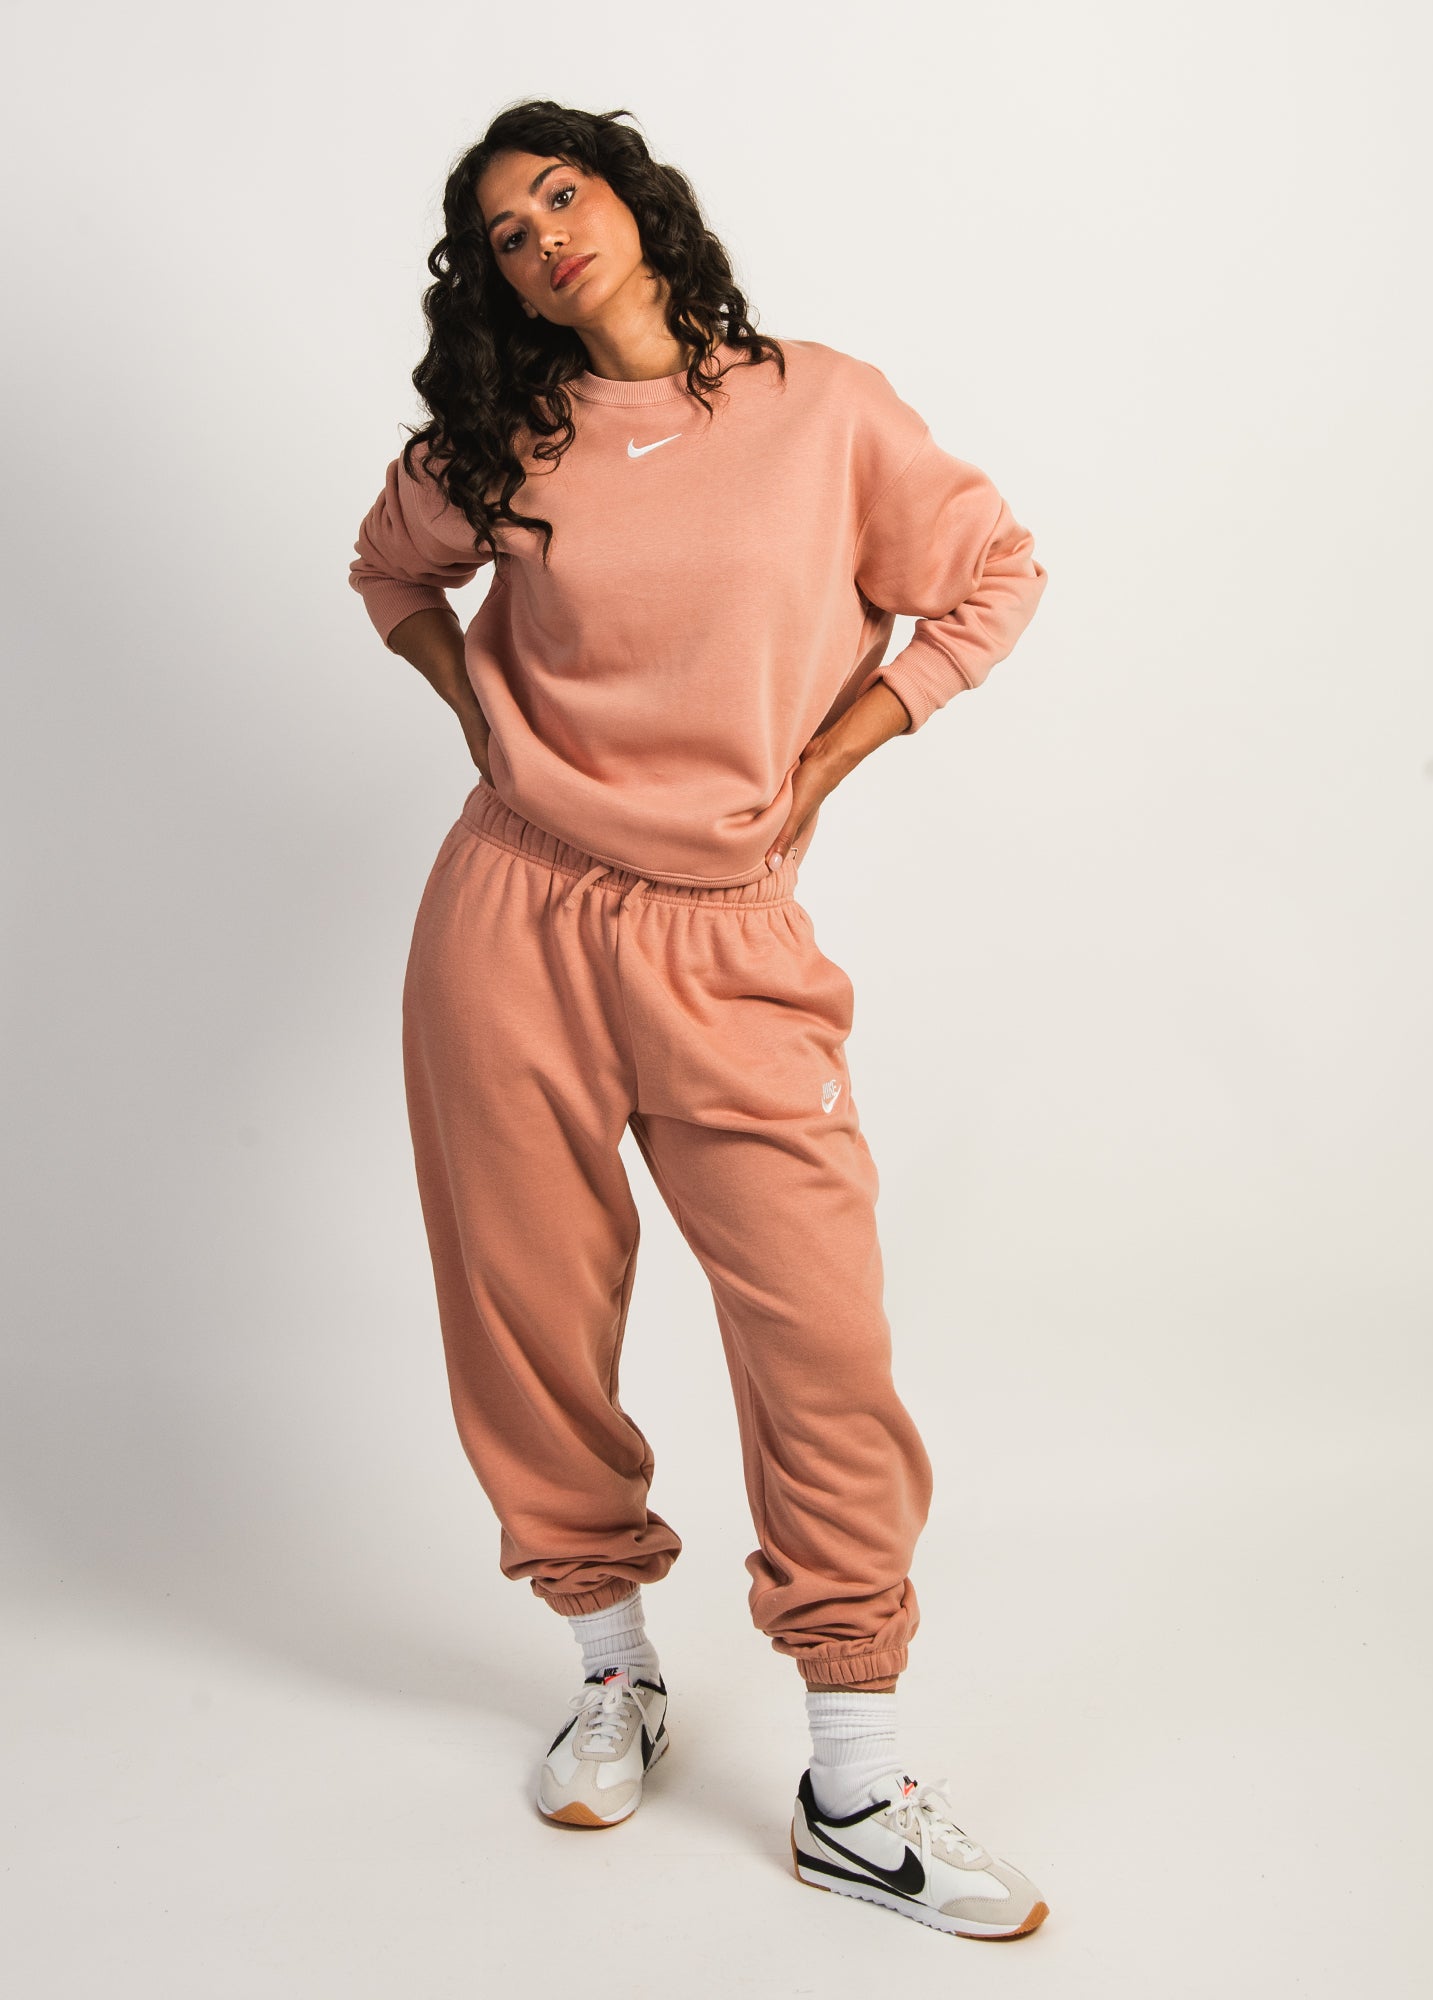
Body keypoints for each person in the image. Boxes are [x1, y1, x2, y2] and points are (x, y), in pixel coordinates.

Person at [348, 97, 1051, 1942]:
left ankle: (852, 1780)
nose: (544, 237)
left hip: (729, 938)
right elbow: (390, 570)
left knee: (820, 1331)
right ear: (497, 282)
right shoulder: (504, 436)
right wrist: (475, 709)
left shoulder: (823, 410)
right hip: (510, 913)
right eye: (506, 233)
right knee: (525, 1306)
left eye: (561, 192)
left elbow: (992, 575)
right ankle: (613, 1669)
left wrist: (829, 756)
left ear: (636, 202)